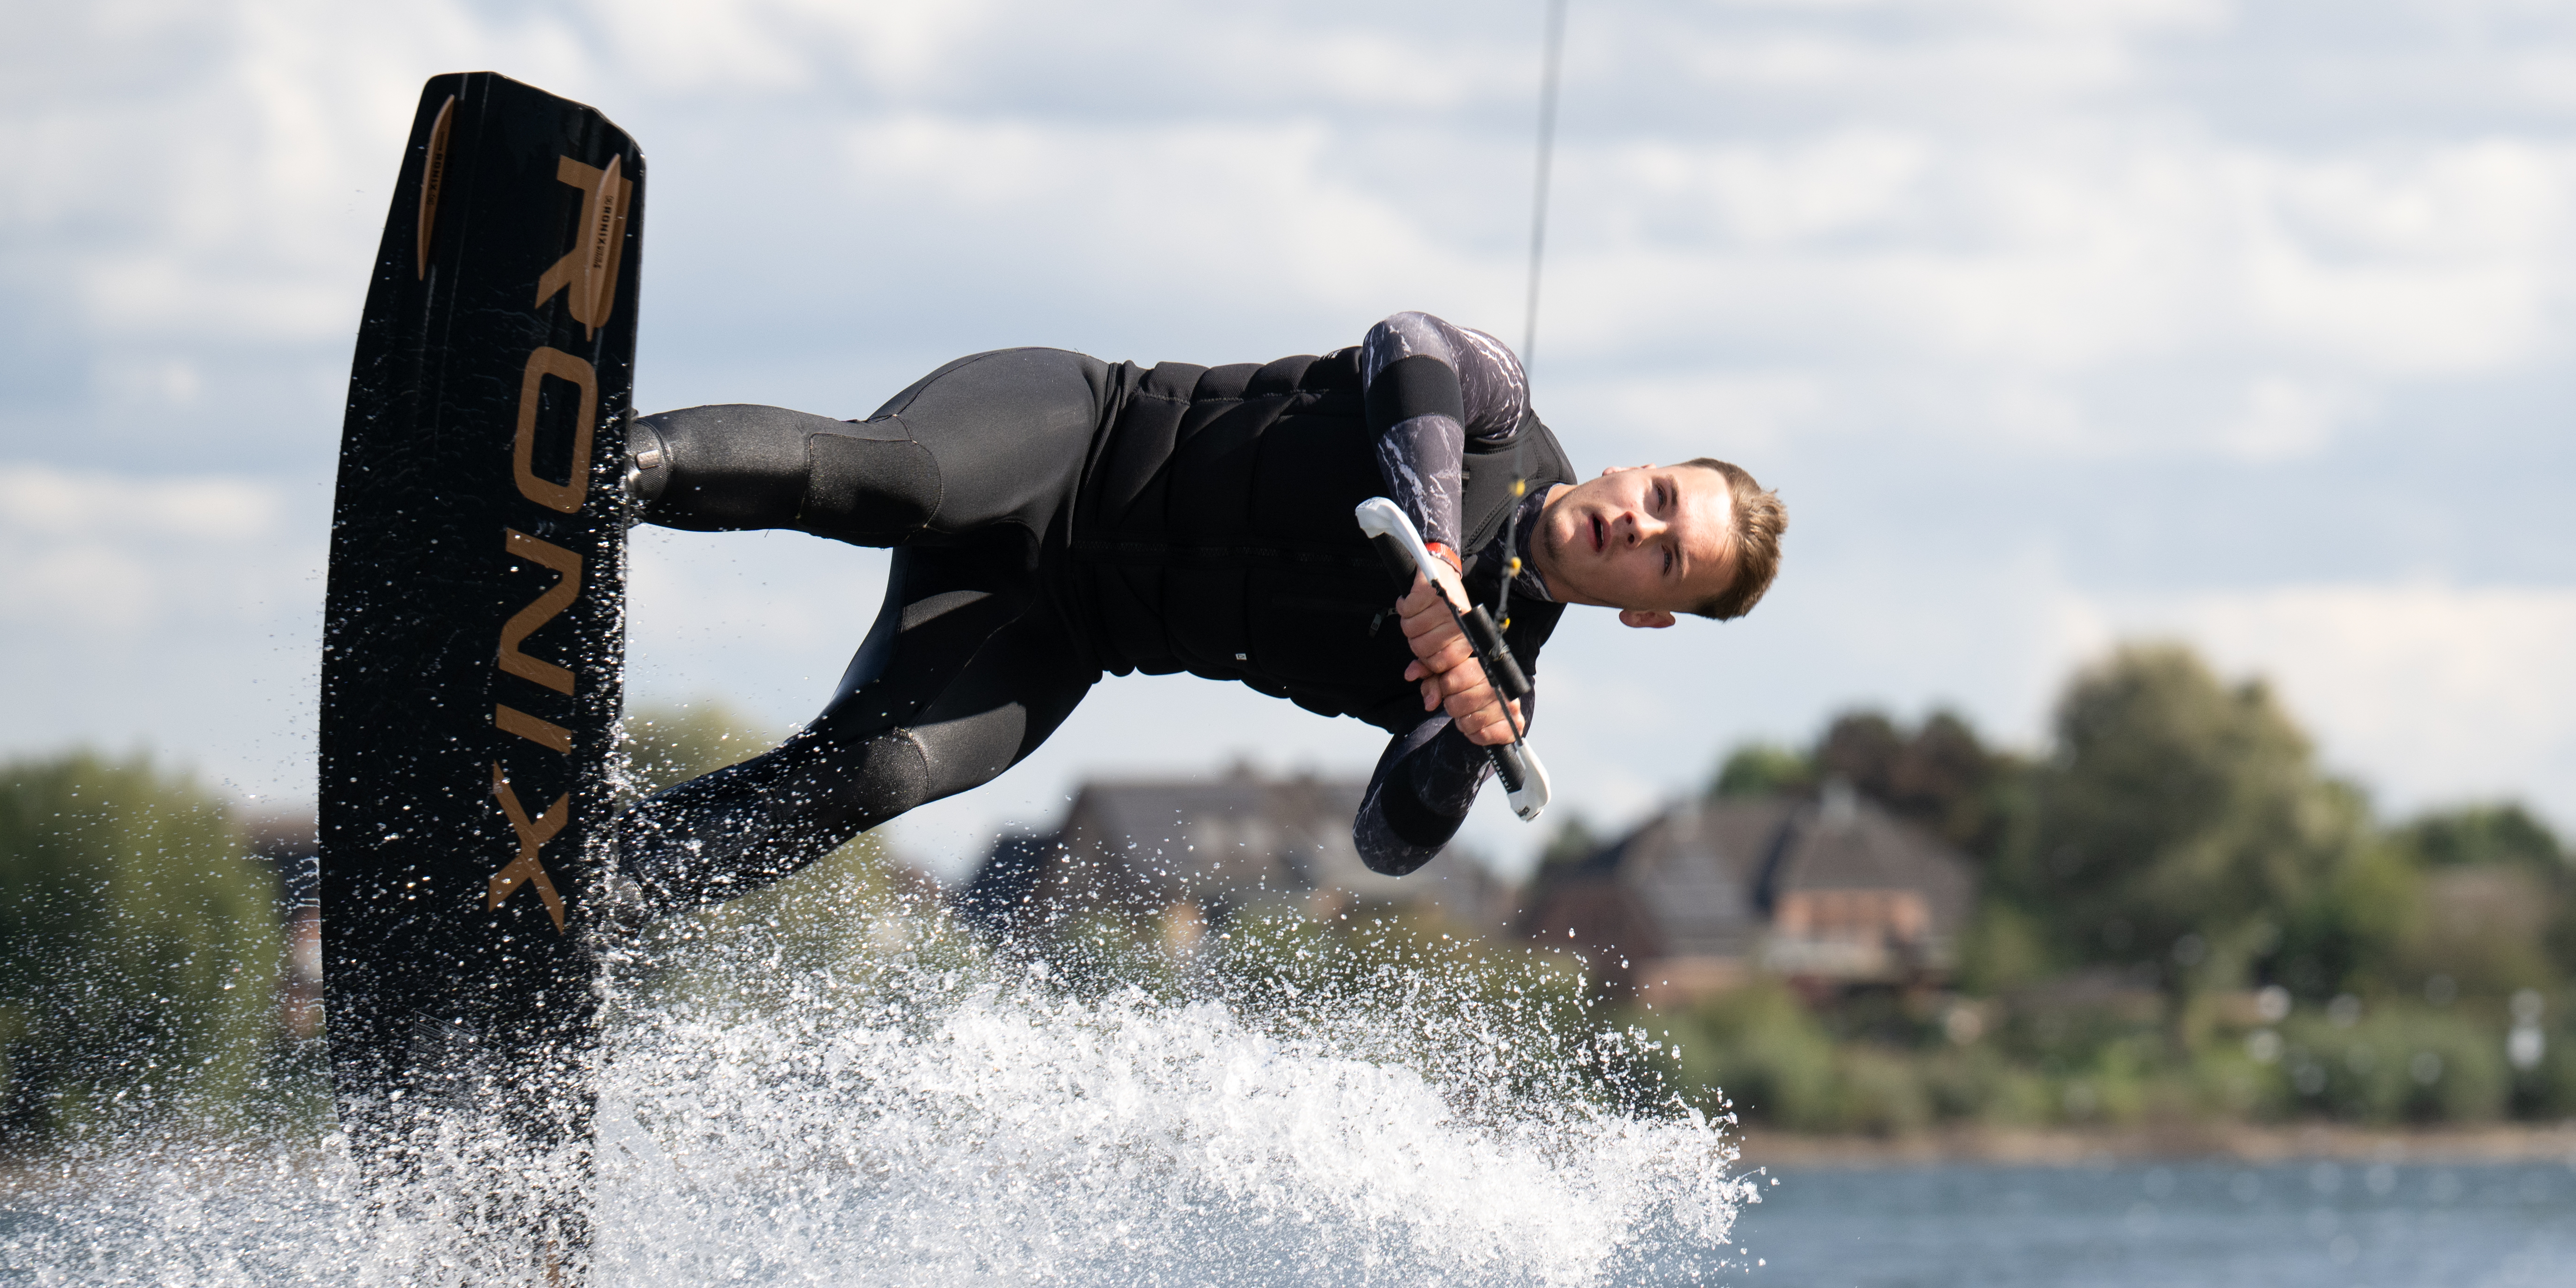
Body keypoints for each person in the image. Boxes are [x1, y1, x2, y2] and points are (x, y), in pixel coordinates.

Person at [617, 311, 1785, 919]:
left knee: (881, 774)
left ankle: (603, 883)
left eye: (1668, 560)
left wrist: (1468, 743)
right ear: (1637, 468)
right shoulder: (1502, 416)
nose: (1638, 527)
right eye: (1660, 498)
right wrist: (1433, 555)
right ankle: (608, 470)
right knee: (894, 483)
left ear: (1651, 617)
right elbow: (1411, 345)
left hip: (1060, 630)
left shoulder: (1487, 682)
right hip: (1064, 437)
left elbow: (1388, 844)